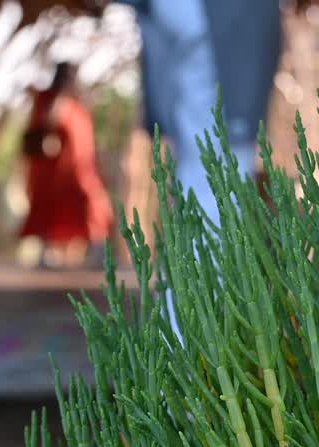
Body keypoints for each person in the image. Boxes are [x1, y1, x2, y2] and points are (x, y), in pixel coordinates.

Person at [116, 0, 283, 342]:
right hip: (218, 20)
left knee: (204, 184)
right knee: (216, 190)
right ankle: (192, 349)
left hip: (204, 22)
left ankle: (185, 342)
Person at [17, 62, 113, 269]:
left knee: (88, 206)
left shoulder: (76, 105)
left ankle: (97, 249)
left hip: (76, 170)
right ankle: (47, 252)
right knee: (51, 208)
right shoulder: (53, 101)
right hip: (56, 171)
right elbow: (47, 125)